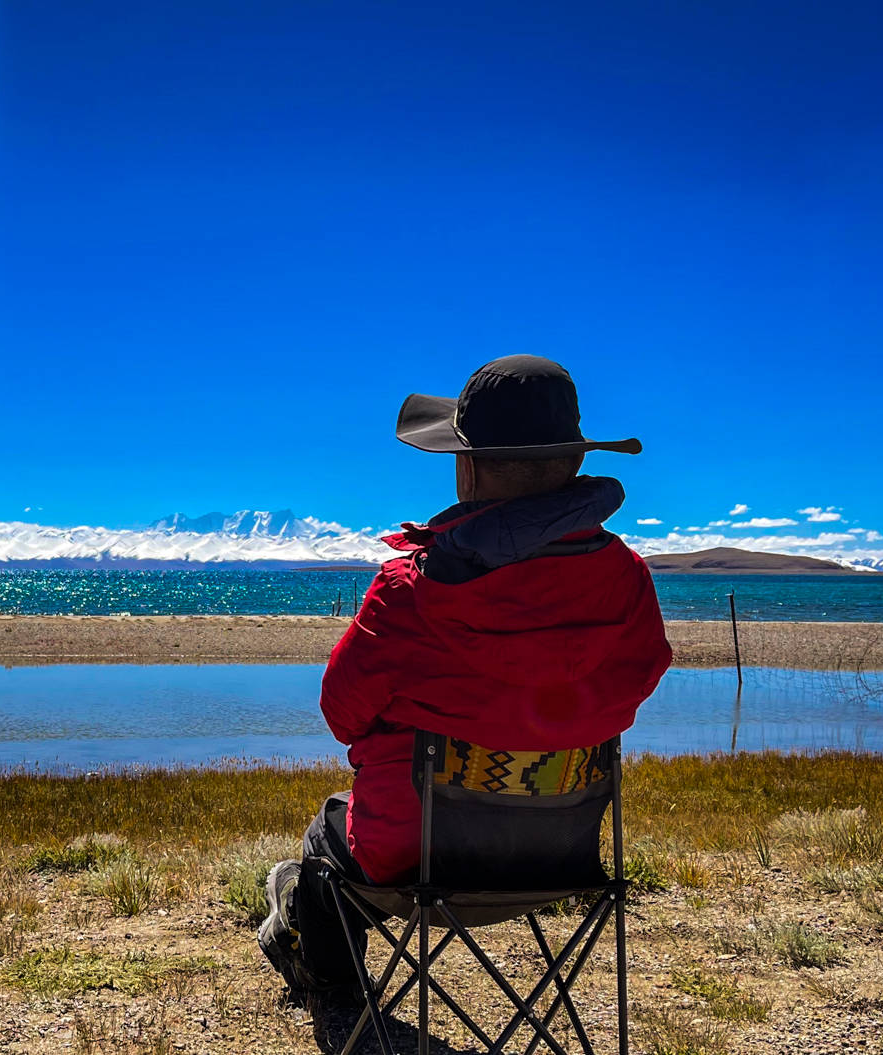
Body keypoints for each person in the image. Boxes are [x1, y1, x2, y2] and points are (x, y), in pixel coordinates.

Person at [258, 354, 673, 1006]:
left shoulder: (406, 589)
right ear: (570, 461)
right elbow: (637, 679)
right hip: (558, 851)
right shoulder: (626, 577)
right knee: (345, 836)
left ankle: (334, 988)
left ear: (468, 465)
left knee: (326, 837)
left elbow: (342, 712)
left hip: (417, 860)